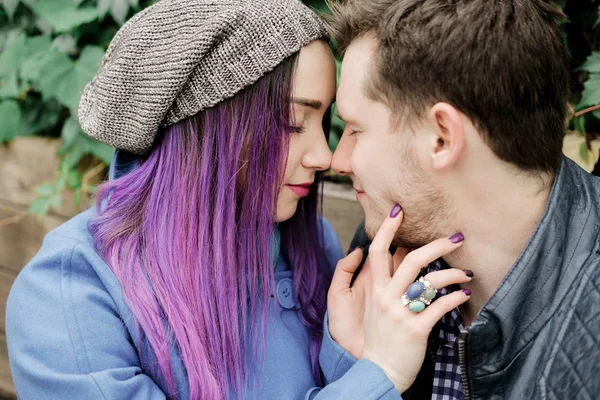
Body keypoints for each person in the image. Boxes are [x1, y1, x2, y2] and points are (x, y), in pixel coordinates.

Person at [6, 0, 470, 399]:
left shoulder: (316, 249)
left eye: (325, 120)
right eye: (293, 123)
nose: (325, 156)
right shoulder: (71, 294)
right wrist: (379, 374)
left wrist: (348, 353)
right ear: (209, 131)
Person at [323, 0, 600, 399]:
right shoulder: (389, 254)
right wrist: (361, 369)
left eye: (355, 129)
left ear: (442, 138)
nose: (339, 160)